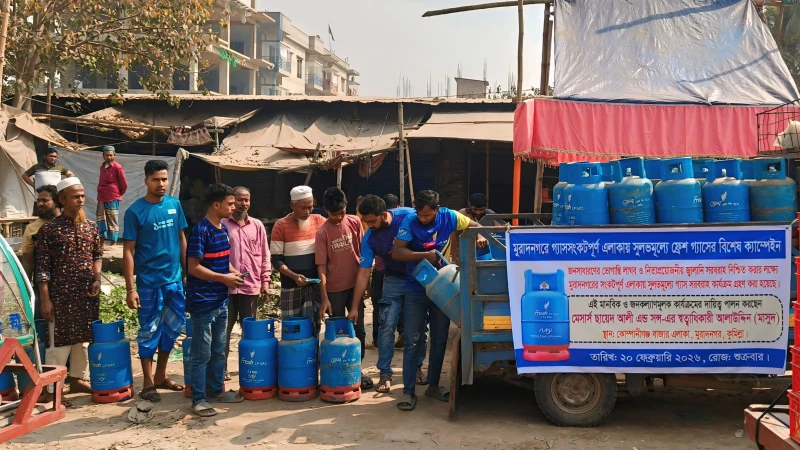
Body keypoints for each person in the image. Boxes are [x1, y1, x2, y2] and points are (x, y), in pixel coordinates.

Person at [393, 190, 486, 411]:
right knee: (413, 340)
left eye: (426, 215)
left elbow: (477, 226)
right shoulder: (409, 221)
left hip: (443, 288)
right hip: (415, 288)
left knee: (440, 338)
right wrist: (424, 256)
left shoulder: (451, 216)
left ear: (436, 209)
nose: (422, 218)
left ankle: (433, 386)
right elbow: (397, 252)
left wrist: (480, 235)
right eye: (420, 214)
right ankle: (408, 391)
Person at [122, 160, 188, 402]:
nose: (161, 184)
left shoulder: (175, 205)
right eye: (156, 180)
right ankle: (148, 382)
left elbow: (181, 239)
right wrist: (131, 289)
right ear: (146, 180)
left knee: (171, 328)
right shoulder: (134, 212)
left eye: (164, 179)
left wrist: (187, 271)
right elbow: (128, 251)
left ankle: (161, 376)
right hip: (149, 282)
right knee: (149, 331)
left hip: (174, 281)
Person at [36, 177, 101, 403]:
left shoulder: (91, 226)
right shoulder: (49, 231)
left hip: (86, 295)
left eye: (82, 195)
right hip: (60, 296)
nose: (80, 200)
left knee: (82, 340)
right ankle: (53, 390)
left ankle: (77, 379)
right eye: (75, 196)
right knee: (58, 343)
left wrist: (97, 279)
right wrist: (45, 299)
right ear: (62, 199)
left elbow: (97, 255)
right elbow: (42, 268)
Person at [187, 183, 245, 416]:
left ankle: (217, 390)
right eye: (230, 204)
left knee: (219, 348)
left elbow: (222, 260)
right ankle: (198, 398)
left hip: (221, 300)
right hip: (203, 302)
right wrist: (223, 278)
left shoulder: (222, 229)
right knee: (202, 353)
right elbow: (193, 267)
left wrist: (232, 273)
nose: (234, 208)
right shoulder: (201, 231)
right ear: (216, 204)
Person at [349, 195, 417, 393]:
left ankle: (416, 370)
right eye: (366, 221)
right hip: (392, 280)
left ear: (384, 214)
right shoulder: (370, 238)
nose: (369, 225)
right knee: (386, 326)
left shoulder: (407, 216)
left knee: (417, 328)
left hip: (417, 279)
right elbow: (363, 273)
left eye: (372, 221)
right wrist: (354, 306)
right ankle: (385, 373)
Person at [315, 187, 371, 389]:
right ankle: (340, 368)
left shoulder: (355, 222)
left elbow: (363, 254)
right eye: (333, 214)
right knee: (338, 331)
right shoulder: (322, 233)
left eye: (341, 213)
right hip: (334, 290)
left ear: (346, 207)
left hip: (356, 286)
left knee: (359, 329)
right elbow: (321, 266)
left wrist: (366, 284)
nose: (338, 218)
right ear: (325, 210)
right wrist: (325, 298)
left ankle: (358, 368)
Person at [221, 187, 271, 379]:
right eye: (240, 200)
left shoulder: (257, 225)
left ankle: (247, 367)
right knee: (224, 330)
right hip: (226, 286)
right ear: (232, 201)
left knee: (248, 330)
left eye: (247, 200)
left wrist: (265, 281)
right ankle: (222, 369)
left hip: (251, 286)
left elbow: (265, 255)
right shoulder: (222, 224)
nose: (244, 204)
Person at [270, 186, 326, 335]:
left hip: (314, 286)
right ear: (292, 205)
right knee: (292, 328)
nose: (307, 212)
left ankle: (314, 358)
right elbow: (276, 260)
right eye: (303, 208)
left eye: (310, 207)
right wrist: (294, 276)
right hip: (291, 286)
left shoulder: (320, 221)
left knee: (314, 328)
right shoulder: (280, 225)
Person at [21, 185, 60, 320]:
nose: (40, 204)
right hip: (43, 286)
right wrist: (26, 288)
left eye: (45, 200)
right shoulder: (32, 229)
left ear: (57, 201)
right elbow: (27, 261)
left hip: (67, 286)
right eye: (39, 201)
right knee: (43, 324)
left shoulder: (69, 224)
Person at [96, 145, 128, 247]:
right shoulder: (102, 167)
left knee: (112, 219)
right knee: (101, 219)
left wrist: (117, 193)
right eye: (107, 155)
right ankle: (101, 241)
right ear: (103, 156)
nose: (109, 157)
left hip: (112, 196)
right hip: (101, 196)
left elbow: (124, 184)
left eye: (111, 155)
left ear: (114, 155)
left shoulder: (117, 167)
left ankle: (113, 241)